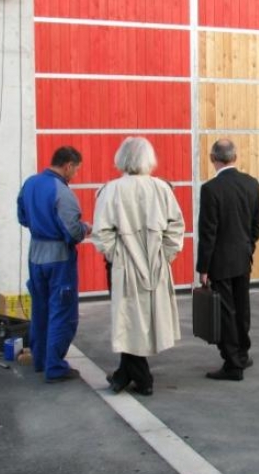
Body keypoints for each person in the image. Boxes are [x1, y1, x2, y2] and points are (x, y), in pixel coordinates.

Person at [92, 137, 185, 396]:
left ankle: (138, 379)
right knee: (137, 318)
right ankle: (130, 376)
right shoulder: (161, 188)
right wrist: (165, 255)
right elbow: (176, 225)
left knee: (128, 318)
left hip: (125, 265)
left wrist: (116, 256)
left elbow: (101, 231)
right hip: (154, 264)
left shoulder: (111, 190)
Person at [17, 146, 91, 383]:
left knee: (40, 309)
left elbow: (22, 217)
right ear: (68, 165)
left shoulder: (29, 184)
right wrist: (87, 228)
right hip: (58, 258)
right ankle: (55, 367)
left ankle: (40, 359)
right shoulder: (62, 192)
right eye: (76, 170)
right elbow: (73, 231)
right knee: (62, 311)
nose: (75, 175)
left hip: (35, 254)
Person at [197, 139, 259, 381]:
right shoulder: (251, 184)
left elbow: (208, 232)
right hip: (244, 258)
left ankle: (233, 364)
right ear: (235, 157)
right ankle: (242, 355)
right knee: (242, 308)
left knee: (226, 313)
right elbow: (257, 223)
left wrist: (203, 267)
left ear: (213, 158)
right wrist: (248, 246)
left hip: (220, 261)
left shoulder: (210, 189)